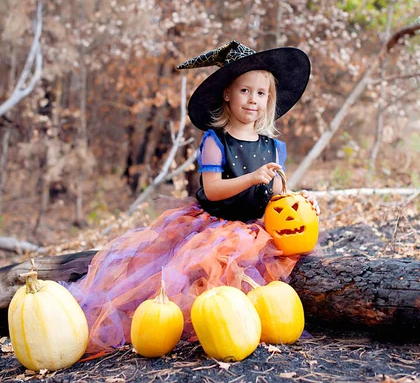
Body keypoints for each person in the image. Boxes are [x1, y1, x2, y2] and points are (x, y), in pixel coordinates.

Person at [64, 40, 318, 356]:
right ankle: (217, 329)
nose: (253, 100)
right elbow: (212, 189)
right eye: (245, 91)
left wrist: (301, 200)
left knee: (265, 277)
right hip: (215, 225)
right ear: (228, 93)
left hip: (255, 227)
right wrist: (252, 177)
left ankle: (253, 324)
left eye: (261, 93)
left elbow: (279, 196)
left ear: (270, 99)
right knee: (205, 274)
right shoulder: (215, 141)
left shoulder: (274, 147)